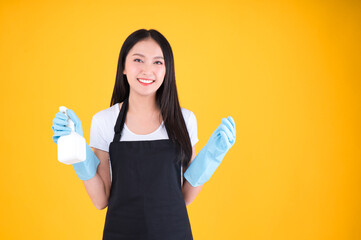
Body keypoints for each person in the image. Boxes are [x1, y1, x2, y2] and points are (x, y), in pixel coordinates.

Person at [52, 29, 236, 240]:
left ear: (167, 70)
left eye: (158, 62)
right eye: (138, 60)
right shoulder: (104, 121)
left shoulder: (184, 120)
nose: (147, 70)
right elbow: (100, 200)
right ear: (123, 66)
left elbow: (184, 197)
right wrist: (78, 152)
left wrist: (212, 157)